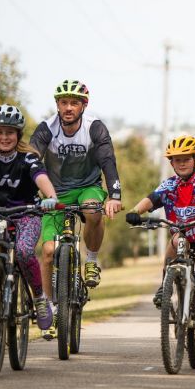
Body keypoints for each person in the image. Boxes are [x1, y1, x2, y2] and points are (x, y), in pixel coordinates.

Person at [30, 79, 123, 339]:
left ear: (84, 105)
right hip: (54, 193)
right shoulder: (46, 129)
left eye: (74, 102)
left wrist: (114, 195)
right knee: (48, 251)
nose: (68, 107)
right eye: (63, 102)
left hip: (87, 187)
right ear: (57, 105)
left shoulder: (95, 128)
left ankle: (91, 261)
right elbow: (30, 160)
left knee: (93, 210)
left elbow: (108, 162)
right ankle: (49, 306)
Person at [125, 135, 195, 346]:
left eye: (186, 159)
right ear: (171, 163)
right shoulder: (169, 185)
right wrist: (135, 211)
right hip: (181, 235)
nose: (181, 163)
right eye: (176, 160)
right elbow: (151, 199)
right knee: (174, 242)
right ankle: (165, 285)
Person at [0, 104, 58, 329]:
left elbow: (41, 178)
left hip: (27, 213)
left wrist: (51, 197)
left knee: (25, 252)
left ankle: (39, 299)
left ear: (18, 134)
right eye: (0, 132)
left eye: (10, 132)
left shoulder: (28, 159)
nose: (4, 137)